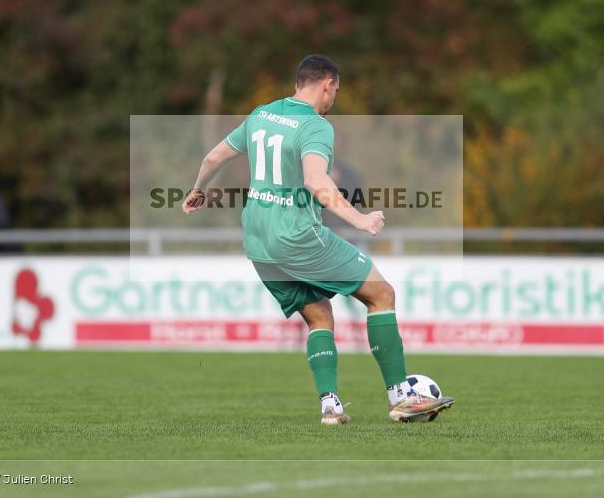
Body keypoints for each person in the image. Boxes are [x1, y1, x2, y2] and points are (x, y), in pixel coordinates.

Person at [182, 54, 454, 424]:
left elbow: (214, 156)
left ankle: (330, 405)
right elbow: (316, 180)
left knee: (319, 317)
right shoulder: (315, 126)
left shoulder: (261, 114)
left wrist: (198, 189)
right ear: (326, 84)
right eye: (336, 91)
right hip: (296, 235)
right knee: (381, 293)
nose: (334, 100)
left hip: (258, 240)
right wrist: (359, 218)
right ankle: (401, 397)